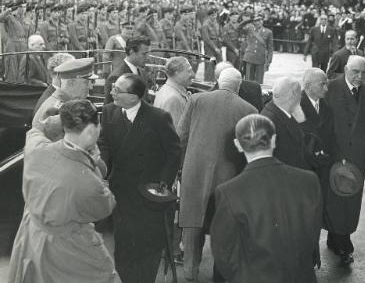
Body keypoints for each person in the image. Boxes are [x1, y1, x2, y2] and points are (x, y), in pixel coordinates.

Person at [8, 100, 117, 283]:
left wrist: (61, 120)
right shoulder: (87, 181)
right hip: (66, 249)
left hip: (31, 236)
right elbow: (106, 207)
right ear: (91, 130)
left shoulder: (36, 148)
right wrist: (94, 163)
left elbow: (37, 129)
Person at [210, 114, 322, 283]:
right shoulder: (309, 180)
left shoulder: (229, 192)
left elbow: (223, 252)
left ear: (238, 145)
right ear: (274, 140)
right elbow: (313, 233)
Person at [98, 73, 180, 283]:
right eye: (113, 87)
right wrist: (103, 170)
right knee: (124, 248)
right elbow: (105, 144)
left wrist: (164, 182)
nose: (111, 92)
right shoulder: (108, 112)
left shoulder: (158, 117)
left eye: (117, 89)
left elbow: (173, 152)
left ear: (134, 96)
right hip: (122, 193)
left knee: (148, 249)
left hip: (149, 197)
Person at [177, 68, 257, 282]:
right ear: (238, 86)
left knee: (193, 222)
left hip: (195, 171)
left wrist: (182, 166)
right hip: (228, 177)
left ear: (218, 82)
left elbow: (181, 136)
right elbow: (249, 149)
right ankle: (220, 272)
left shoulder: (196, 100)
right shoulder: (249, 109)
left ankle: (190, 271)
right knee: (223, 226)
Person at [324, 55, 365, 265]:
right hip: (336, 157)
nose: (359, 76)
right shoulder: (331, 88)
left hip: (357, 159)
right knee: (337, 200)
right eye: (355, 72)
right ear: (345, 69)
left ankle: (337, 238)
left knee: (351, 200)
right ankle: (343, 243)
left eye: (363, 73)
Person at [32, 57, 97, 141]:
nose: (91, 87)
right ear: (72, 83)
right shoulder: (56, 110)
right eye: (88, 82)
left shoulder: (63, 104)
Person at [261, 77, 310, 170]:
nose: (301, 98)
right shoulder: (269, 120)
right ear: (292, 97)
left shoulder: (282, 111)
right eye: (300, 94)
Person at [104, 36, 150, 104]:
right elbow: (109, 109)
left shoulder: (142, 72)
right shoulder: (116, 77)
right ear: (132, 52)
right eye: (144, 54)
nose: (147, 57)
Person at [153, 56, 194, 127]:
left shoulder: (165, 90)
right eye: (189, 71)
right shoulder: (173, 99)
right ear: (177, 72)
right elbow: (176, 133)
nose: (193, 75)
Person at [0, 2, 30, 82]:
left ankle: (21, 87)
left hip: (23, 44)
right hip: (13, 44)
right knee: (12, 68)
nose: (24, 9)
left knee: (22, 68)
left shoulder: (25, 19)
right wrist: (8, 10)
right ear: (18, 8)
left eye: (25, 7)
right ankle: (11, 87)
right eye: (23, 7)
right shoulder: (9, 17)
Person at [241, 15, 273, 84]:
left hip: (260, 59)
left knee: (259, 82)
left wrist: (268, 61)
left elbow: (270, 48)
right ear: (253, 22)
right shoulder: (249, 29)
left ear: (262, 21)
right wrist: (247, 20)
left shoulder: (268, 32)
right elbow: (239, 28)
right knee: (248, 81)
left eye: (260, 20)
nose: (258, 22)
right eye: (256, 21)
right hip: (250, 58)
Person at [201, 7, 223, 81]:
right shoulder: (205, 25)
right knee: (210, 65)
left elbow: (219, 34)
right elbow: (206, 39)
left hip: (217, 44)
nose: (214, 17)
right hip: (210, 46)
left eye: (215, 15)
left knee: (219, 64)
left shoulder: (216, 23)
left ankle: (215, 81)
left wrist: (219, 46)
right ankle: (207, 81)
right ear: (209, 16)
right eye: (212, 15)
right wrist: (215, 48)